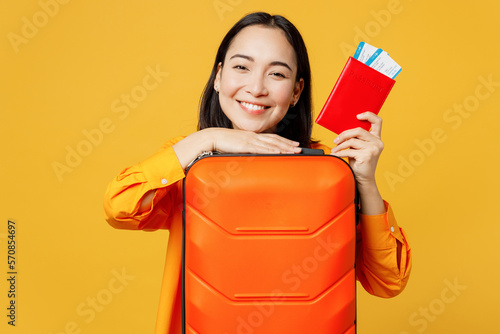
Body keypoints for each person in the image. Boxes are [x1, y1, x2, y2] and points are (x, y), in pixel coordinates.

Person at [103, 12, 412, 333]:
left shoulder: (328, 170)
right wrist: (206, 139)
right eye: (241, 67)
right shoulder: (190, 160)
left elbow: (388, 281)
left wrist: (364, 182)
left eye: (277, 74)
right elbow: (120, 208)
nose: (256, 87)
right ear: (219, 77)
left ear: (296, 91)